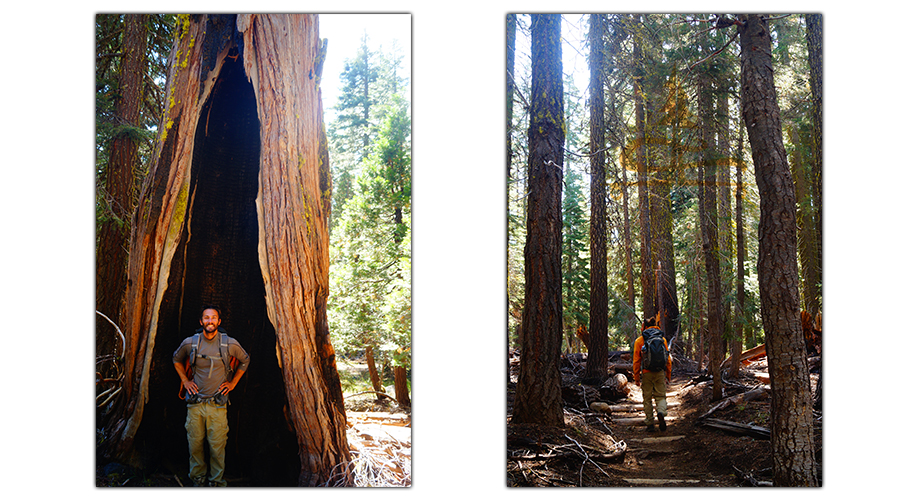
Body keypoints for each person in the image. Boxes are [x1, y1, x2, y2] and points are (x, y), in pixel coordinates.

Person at [173, 305, 250, 487]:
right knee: (195, 445)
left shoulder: (229, 343)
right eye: (206, 318)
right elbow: (176, 359)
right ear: (201, 322)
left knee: (217, 447)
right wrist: (185, 381)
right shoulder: (190, 343)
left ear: (219, 322)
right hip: (195, 403)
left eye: (213, 318)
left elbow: (245, 360)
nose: (210, 321)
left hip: (217, 405)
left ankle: (216, 483)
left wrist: (233, 383)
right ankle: (198, 481)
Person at [633, 317, 672, 431]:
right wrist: (668, 375)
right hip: (660, 372)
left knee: (647, 399)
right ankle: (661, 412)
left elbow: (636, 361)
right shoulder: (662, 340)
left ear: (645, 327)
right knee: (660, 396)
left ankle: (650, 423)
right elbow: (668, 359)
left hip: (646, 373)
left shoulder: (639, 341)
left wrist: (636, 378)